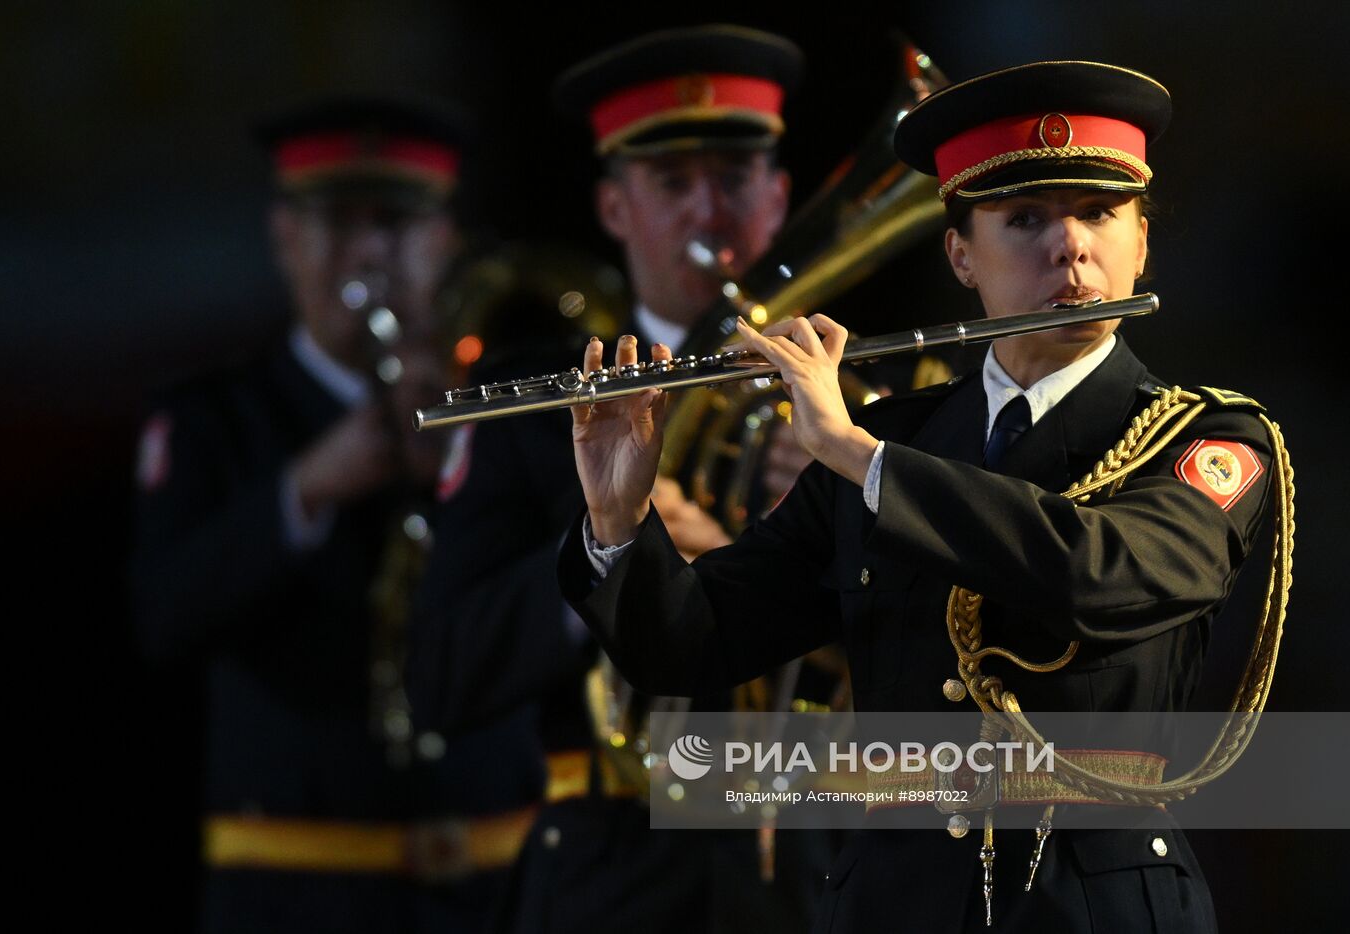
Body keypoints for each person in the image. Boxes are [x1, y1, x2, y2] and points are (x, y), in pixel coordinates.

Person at [560, 60, 1276, 933]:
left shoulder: (1205, 437)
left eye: (1100, 214)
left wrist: (858, 455)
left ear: (1141, 243)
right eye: (1025, 221)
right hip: (892, 902)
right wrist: (617, 519)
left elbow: (1102, 575)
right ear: (961, 257)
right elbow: (690, 648)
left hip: (1093, 902)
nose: (1071, 247)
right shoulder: (893, 434)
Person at [410, 25, 857, 934]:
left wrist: (842, 512)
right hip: (612, 870)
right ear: (614, 208)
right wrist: (612, 548)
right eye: (670, 184)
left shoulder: (867, 409)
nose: (708, 213)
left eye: (733, 181)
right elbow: (443, 677)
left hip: (819, 860)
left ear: (777, 198)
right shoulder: (532, 407)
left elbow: (952, 678)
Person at [131, 98, 544, 934]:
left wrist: (460, 477)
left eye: (395, 222)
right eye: (334, 223)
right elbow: (163, 619)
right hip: (300, 896)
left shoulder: (508, 417)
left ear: (445, 242)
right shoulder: (216, 419)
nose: (366, 253)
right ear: (284, 236)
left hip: (500, 889)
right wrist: (307, 489)